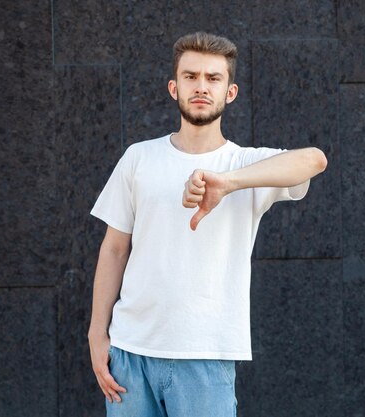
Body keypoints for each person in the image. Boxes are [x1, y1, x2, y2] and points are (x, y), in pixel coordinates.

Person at [87, 31, 327, 417]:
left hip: (206, 354)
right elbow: (114, 248)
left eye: (213, 79)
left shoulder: (247, 165)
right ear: (173, 87)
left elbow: (314, 160)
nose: (201, 87)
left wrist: (228, 183)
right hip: (130, 351)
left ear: (230, 92)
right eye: (191, 76)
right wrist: (97, 334)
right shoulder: (139, 158)